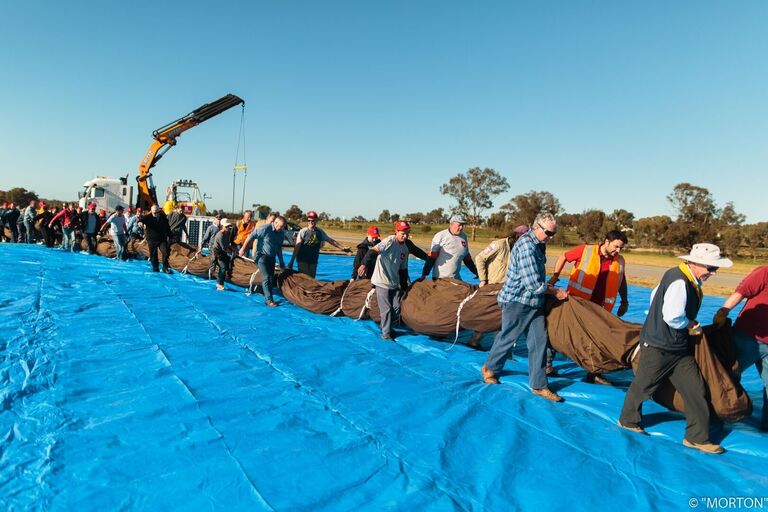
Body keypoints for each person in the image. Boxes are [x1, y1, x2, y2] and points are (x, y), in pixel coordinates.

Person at [618, 243, 732, 454]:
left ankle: (696, 438)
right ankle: (628, 420)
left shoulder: (682, 276)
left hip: (678, 349)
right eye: (711, 268)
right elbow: (671, 316)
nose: (713, 273)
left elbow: (655, 296)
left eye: (715, 269)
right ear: (696, 263)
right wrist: (690, 325)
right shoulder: (680, 281)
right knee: (644, 385)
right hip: (659, 346)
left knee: (695, 388)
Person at [481, 213, 569, 402]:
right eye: (548, 232)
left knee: (539, 342)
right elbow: (532, 284)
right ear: (536, 227)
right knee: (508, 337)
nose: (551, 237)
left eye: (554, 233)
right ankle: (490, 368)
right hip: (517, 300)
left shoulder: (540, 244)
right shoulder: (527, 246)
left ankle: (539, 385)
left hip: (534, 302)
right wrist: (555, 292)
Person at [546, 230, 630, 385]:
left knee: (597, 340)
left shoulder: (620, 261)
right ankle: (547, 365)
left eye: (621, 248)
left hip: (600, 309)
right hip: (577, 305)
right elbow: (564, 257)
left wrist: (624, 301)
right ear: (606, 241)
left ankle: (594, 373)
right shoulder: (586, 250)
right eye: (616, 246)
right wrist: (555, 276)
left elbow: (621, 281)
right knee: (562, 333)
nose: (617, 251)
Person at [713, 265, 768, 431]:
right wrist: (723, 311)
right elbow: (742, 291)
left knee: (727, 375)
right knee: (726, 376)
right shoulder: (764, 272)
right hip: (748, 337)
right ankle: (713, 413)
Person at [359, 221, 412, 340]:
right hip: (381, 280)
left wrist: (404, 287)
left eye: (407, 233)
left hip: (393, 282)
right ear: (396, 232)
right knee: (386, 308)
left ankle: (387, 326)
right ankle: (386, 334)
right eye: (402, 233)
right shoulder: (390, 241)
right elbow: (373, 251)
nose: (405, 235)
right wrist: (363, 264)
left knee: (397, 306)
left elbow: (403, 270)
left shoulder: (405, 249)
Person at [241, 215, 288, 306]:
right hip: (261, 256)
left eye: (283, 226)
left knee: (270, 277)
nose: (281, 228)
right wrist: (243, 249)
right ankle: (269, 300)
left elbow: (279, 248)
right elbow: (251, 236)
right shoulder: (265, 228)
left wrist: (281, 261)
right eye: (280, 226)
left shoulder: (281, 234)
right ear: (275, 223)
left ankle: (263, 291)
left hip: (271, 257)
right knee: (266, 277)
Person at [288, 211, 351, 278]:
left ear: (316, 221)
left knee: (312, 279)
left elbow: (331, 241)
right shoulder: (303, 232)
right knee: (304, 278)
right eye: (309, 220)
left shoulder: (320, 232)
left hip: (313, 260)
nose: (310, 222)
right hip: (302, 259)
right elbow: (297, 246)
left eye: (313, 220)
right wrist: (292, 261)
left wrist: (342, 248)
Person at [420, 214, 478, 281]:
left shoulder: (463, 236)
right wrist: (424, 274)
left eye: (462, 225)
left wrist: (475, 271)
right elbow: (431, 257)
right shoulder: (441, 236)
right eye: (459, 225)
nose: (461, 227)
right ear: (451, 224)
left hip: (456, 277)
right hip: (441, 278)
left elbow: (466, 258)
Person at [141, 204, 173, 273]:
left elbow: (167, 228)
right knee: (153, 254)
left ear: (159, 211)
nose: (155, 214)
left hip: (161, 239)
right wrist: (140, 222)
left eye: (157, 212)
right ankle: (155, 267)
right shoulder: (148, 217)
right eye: (154, 213)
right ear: (151, 212)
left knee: (165, 252)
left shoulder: (163, 218)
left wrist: (171, 236)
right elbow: (142, 220)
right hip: (152, 239)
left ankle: (165, 267)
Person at [212, 219, 236, 290]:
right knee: (223, 267)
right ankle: (219, 283)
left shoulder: (228, 233)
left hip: (224, 251)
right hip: (218, 253)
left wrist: (233, 250)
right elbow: (224, 248)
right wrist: (231, 252)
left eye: (229, 226)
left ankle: (227, 279)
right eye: (227, 226)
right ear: (223, 226)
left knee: (228, 263)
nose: (228, 228)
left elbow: (227, 244)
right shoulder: (220, 235)